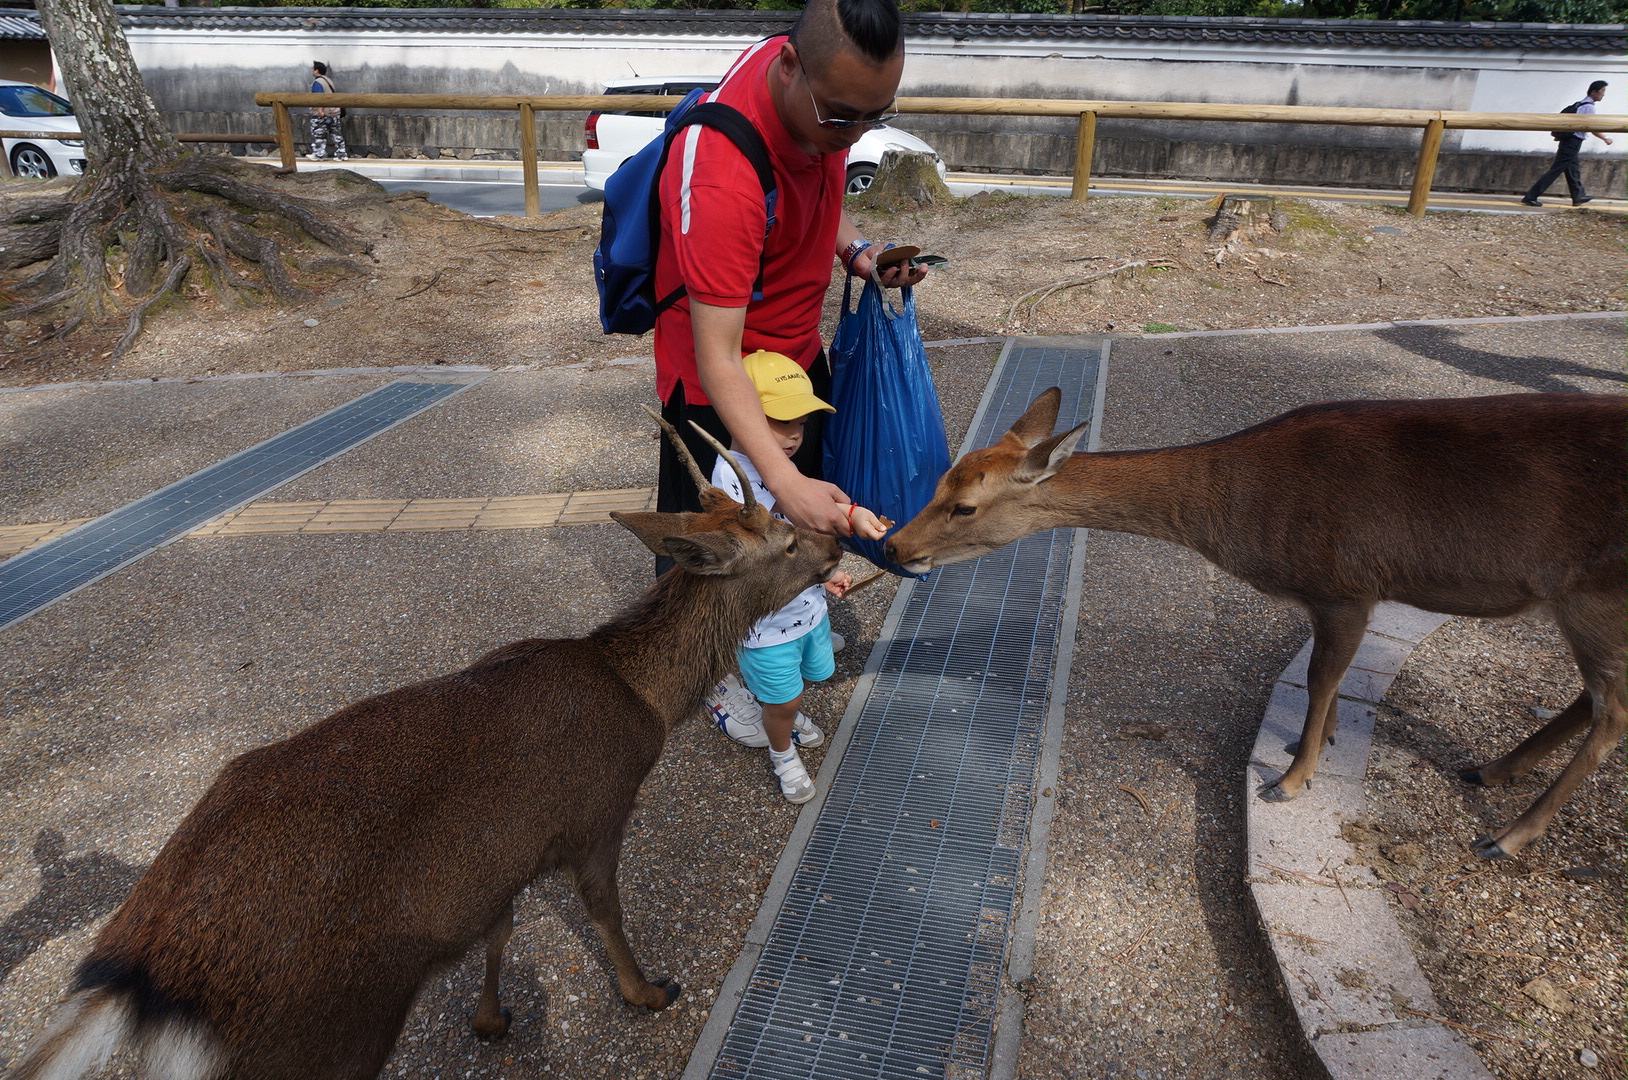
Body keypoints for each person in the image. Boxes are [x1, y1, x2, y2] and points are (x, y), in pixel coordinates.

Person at [651, 0, 928, 546]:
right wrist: (783, 481)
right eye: (844, 118)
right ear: (789, 65)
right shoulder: (720, 177)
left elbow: (819, 188)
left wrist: (859, 254)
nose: (855, 137)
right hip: (728, 389)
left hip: (795, 364)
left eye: (877, 116)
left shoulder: (821, 94)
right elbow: (718, 359)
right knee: (722, 568)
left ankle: (799, 631)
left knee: (802, 555)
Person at [708, 351, 890, 803]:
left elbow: (800, 525)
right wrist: (843, 514)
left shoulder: (775, 466)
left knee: (815, 672)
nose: (793, 435)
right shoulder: (731, 481)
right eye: (779, 420)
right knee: (783, 699)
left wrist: (825, 575)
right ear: (738, 410)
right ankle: (782, 750)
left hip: (806, 609)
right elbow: (762, 543)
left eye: (801, 423)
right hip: (765, 627)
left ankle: (784, 712)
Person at [1522, 80, 1612, 207]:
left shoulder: (1580, 103)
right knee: (1556, 170)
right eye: (1602, 91)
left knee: (1573, 169)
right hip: (1573, 142)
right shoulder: (1588, 107)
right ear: (1594, 92)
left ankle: (1578, 195)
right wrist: (1605, 138)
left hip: (1570, 141)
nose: (1603, 95)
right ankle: (1531, 196)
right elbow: (1592, 127)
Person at [308, 61, 348, 162]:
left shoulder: (318, 82)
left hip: (324, 112)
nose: (312, 70)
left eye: (313, 68)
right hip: (334, 111)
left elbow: (319, 97)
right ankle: (342, 154)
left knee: (319, 133)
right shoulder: (329, 81)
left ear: (316, 70)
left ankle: (319, 154)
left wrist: (320, 110)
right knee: (336, 134)